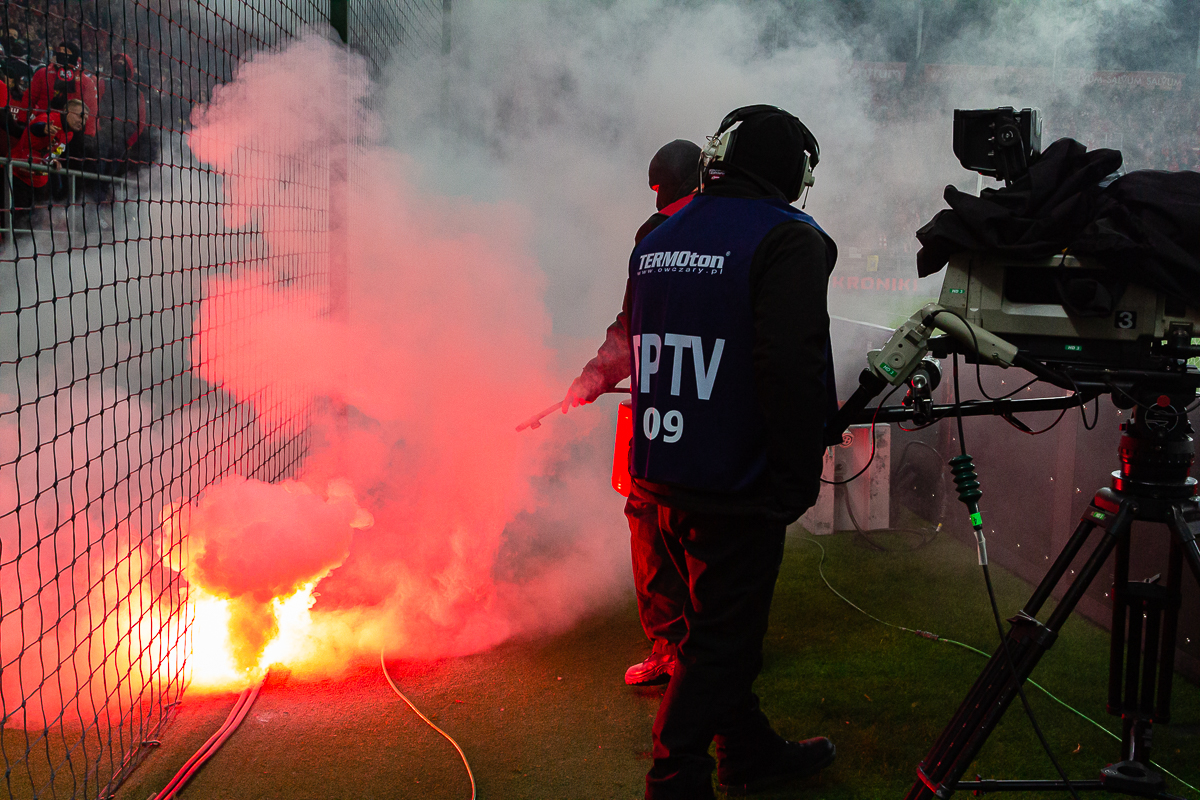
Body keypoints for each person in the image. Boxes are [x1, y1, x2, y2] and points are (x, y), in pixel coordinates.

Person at [627, 105, 838, 800]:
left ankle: (745, 752)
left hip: (661, 467)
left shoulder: (658, 235)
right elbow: (792, 363)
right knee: (722, 642)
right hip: (734, 476)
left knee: (717, 629)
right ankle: (675, 777)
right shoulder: (790, 238)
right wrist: (796, 472)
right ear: (795, 171)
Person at [563, 138, 701, 687]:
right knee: (647, 518)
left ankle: (704, 646)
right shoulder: (651, 238)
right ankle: (671, 644)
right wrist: (595, 377)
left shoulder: (729, 238)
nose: (664, 214)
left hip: (704, 410)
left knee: (697, 528)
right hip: (656, 413)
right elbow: (632, 322)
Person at [28, 41, 98, 197]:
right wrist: (23, 120)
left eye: (67, 53)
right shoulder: (43, 73)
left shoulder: (86, 81)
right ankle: (46, 200)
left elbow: (91, 111)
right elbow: (30, 99)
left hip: (71, 136)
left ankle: (67, 202)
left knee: (68, 168)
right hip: (45, 128)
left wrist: (87, 135)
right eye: (60, 52)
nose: (63, 56)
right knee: (45, 165)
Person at [9, 97, 84, 230]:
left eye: (85, 119)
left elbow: (58, 150)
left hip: (40, 179)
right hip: (19, 173)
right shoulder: (50, 118)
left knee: (36, 219)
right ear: (67, 111)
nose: (82, 121)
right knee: (19, 217)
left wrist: (54, 160)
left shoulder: (70, 134)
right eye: (80, 116)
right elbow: (35, 127)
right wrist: (44, 129)